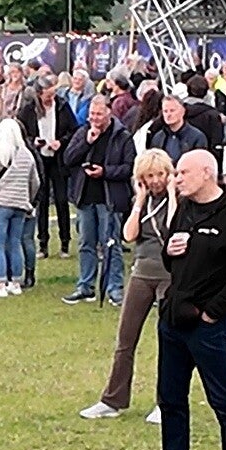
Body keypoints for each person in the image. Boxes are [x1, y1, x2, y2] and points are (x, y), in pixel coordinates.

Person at [138, 150, 226, 450]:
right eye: (176, 173)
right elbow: (170, 261)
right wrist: (171, 252)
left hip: (210, 327)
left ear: (207, 173)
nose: (176, 179)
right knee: (170, 397)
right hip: (174, 320)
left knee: (224, 401)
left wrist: (212, 313)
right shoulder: (185, 208)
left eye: (182, 173)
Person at [79, 149, 175, 422]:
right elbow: (129, 235)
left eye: (159, 174)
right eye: (149, 176)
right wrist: (139, 201)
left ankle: (166, 403)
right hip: (142, 273)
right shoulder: (141, 200)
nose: (155, 181)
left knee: (169, 341)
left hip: (169, 275)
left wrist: (172, 195)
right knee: (125, 338)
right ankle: (112, 400)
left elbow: (172, 229)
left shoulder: (178, 201)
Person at [62, 95, 136, 306]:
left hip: (109, 199)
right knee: (86, 243)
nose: (94, 118)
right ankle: (85, 286)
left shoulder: (122, 136)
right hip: (85, 197)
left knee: (111, 243)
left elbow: (129, 167)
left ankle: (115, 288)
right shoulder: (82, 133)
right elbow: (68, 159)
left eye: (98, 114)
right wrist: (87, 142)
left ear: (108, 113)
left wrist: (105, 172)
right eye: (91, 114)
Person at [0, 118, 40, 298]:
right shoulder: (27, 155)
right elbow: (35, 182)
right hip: (20, 204)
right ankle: (15, 282)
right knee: (15, 243)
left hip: (0, 202)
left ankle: (0, 282)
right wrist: (27, 197)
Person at [17, 76, 77, 258]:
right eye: (47, 96)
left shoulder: (62, 106)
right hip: (39, 159)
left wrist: (61, 142)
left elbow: (73, 130)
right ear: (38, 94)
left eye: (53, 94)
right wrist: (34, 141)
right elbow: (21, 132)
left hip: (58, 159)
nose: (51, 99)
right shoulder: (29, 110)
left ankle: (65, 242)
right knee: (41, 202)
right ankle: (42, 243)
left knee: (61, 200)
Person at [148, 94, 209, 165]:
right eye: (165, 111)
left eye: (172, 110)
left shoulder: (197, 137)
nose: (168, 114)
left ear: (182, 111)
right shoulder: (158, 138)